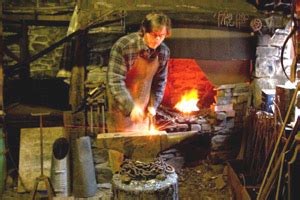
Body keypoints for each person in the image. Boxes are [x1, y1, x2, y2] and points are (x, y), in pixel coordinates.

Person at [106, 12, 171, 132]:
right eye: (153, 34)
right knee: (120, 149)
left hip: (143, 114)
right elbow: (115, 81)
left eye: (161, 35)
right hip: (121, 111)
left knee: (144, 146)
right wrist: (131, 108)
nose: (157, 39)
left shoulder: (163, 52)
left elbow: (160, 82)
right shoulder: (125, 46)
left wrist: (153, 105)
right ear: (144, 30)